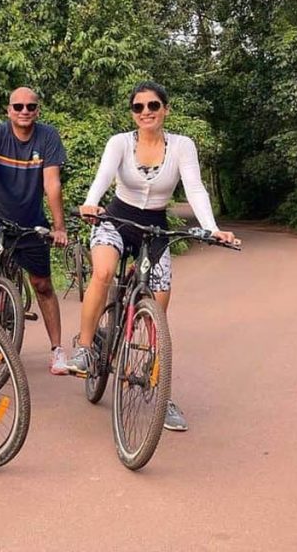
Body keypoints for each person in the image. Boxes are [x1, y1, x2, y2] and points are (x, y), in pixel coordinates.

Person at [64, 81, 240, 431]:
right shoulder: (119, 143)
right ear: (132, 113)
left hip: (155, 229)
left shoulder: (182, 146)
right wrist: (90, 202)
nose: (146, 112)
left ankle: (160, 392)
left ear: (165, 109)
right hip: (115, 219)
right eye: (139, 107)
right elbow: (102, 177)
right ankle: (85, 348)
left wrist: (211, 227)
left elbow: (195, 187)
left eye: (153, 106)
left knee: (157, 312)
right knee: (103, 272)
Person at [0, 87, 70, 375]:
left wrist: (59, 227)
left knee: (42, 285)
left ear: (37, 111)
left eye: (30, 107)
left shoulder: (48, 137)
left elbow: (52, 183)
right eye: (18, 106)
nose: (24, 111)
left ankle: (57, 350)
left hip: (30, 224)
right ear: (9, 110)